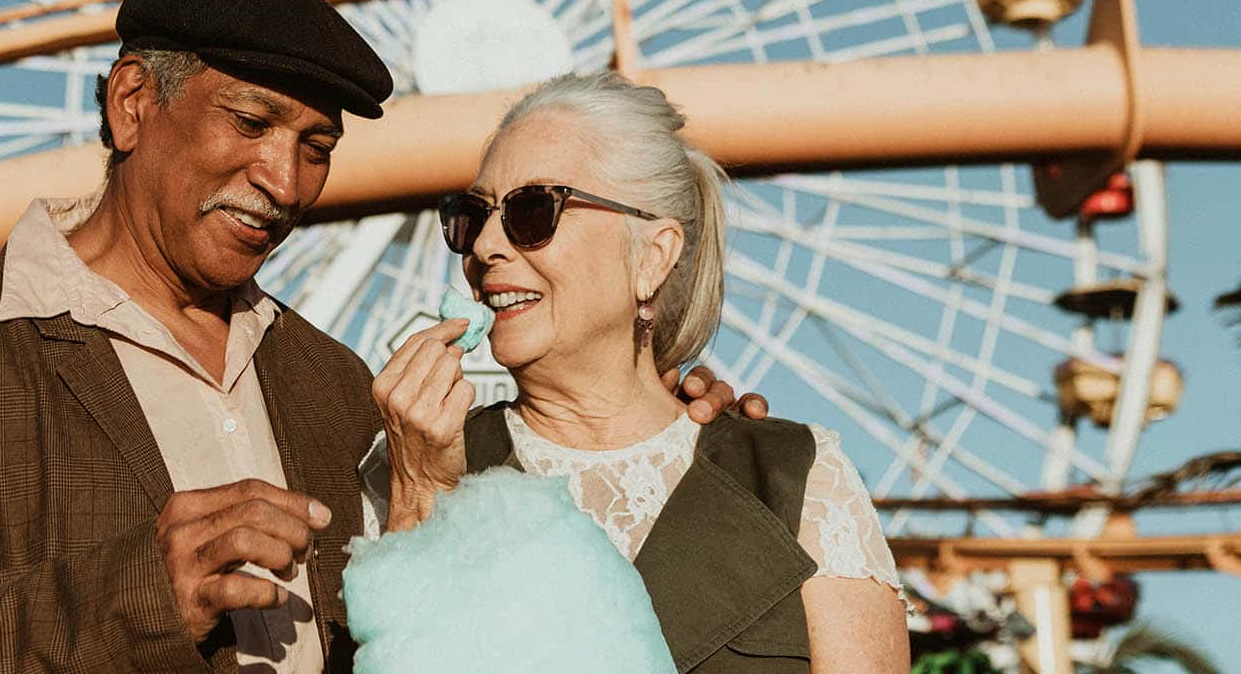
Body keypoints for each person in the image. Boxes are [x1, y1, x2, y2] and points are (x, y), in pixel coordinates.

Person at [0, 0, 752, 674]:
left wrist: (659, 437)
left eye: (314, 145)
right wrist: (136, 595)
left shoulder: (331, 387)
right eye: (250, 123)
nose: (283, 182)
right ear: (130, 104)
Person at [368, 71, 910, 673]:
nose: (485, 245)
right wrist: (421, 498)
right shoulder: (403, 469)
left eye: (533, 211)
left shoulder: (798, 480)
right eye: (472, 215)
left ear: (652, 257)